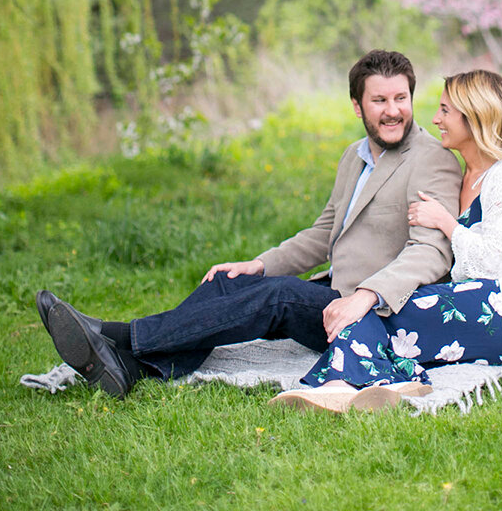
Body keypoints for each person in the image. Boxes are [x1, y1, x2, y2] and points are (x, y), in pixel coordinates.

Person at [36, 49, 462, 399]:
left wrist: (365, 295)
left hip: (379, 313)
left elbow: (431, 251)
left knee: (276, 297)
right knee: (225, 283)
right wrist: (257, 265)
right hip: (336, 293)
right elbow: (323, 232)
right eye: (379, 101)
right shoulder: (355, 156)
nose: (393, 111)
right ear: (357, 106)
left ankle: (115, 335)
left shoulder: (431, 160)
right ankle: (130, 368)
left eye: (400, 98)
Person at [273, 68, 502, 410]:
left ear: (474, 119)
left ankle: (345, 380)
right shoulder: (464, 173)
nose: (436, 119)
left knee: (375, 306)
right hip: (466, 297)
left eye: (445, 111)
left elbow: (495, 262)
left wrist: (446, 223)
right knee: (377, 303)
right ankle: (377, 382)